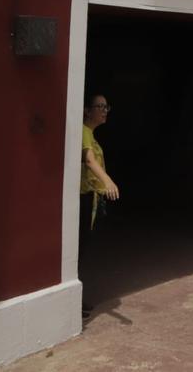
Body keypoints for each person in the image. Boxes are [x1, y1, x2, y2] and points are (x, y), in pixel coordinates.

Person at [79, 94, 120, 318]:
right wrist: (108, 181)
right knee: (78, 247)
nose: (104, 111)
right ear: (87, 110)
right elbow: (89, 160)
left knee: (83, 246)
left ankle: (77, 298)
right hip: (82, 197)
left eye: (106, 106)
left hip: (91, 198)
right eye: (99, 107)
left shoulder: (91, 134)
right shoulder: (84, 132)